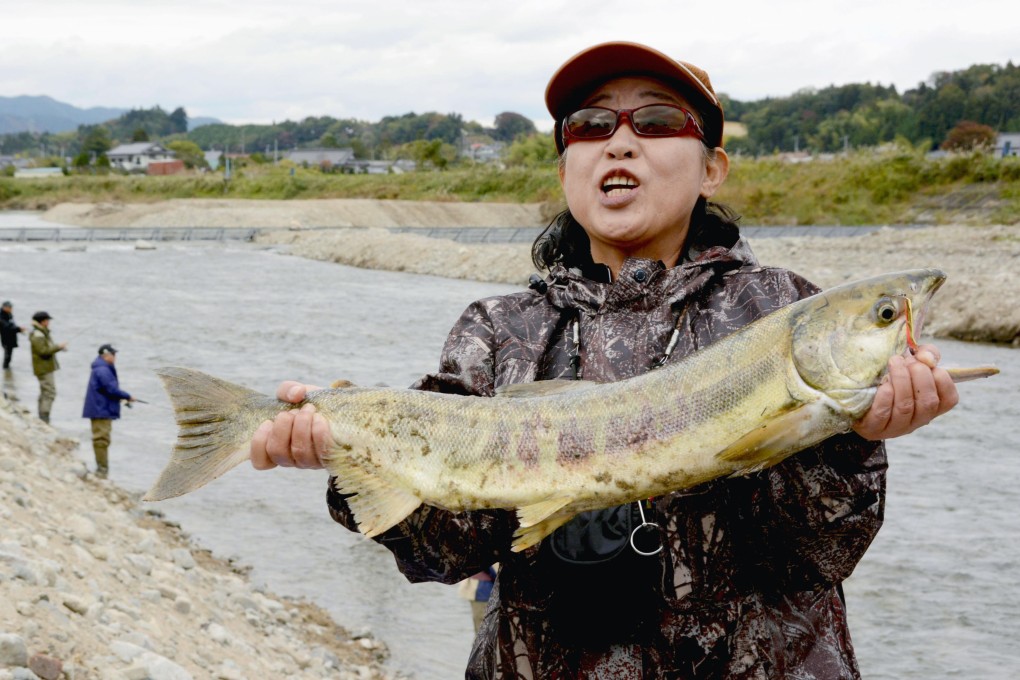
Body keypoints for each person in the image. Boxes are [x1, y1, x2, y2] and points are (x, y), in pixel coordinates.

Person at [250, 42, 959, 678]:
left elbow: (815, 555)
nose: (618, 143)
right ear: (565, 167)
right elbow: (444, 552)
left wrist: (852, 446)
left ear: (713, 167)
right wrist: (346, 460)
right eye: (590, 126)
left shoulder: (778, 309)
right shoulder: (498, 330)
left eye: (654, 122)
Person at [82, 343, 134, 477]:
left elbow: (107, 390)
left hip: (100, 408)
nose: (115, 357)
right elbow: (111, 389)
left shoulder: (101, 367)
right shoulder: (103, 370)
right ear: (106, 355)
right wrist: (127, 396)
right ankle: (102, 471)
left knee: (102, 439)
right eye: (113, 354)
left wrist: (122, 398)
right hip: (101, 410)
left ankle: (102, 470)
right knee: (101, 439)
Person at [29, 311, 67, 424]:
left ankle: (42, 416)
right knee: (49, 392)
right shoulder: (38, 334)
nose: (48, 322)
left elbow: (46, 348)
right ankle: (44, 418)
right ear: (42, 321)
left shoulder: (41, 332)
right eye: (47, 320)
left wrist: (58, 347)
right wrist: (58, 347)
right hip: (43, 368)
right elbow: (43, 351)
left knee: (45, 391)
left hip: (44, 367)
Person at [1, 300, 25, 370]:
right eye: (9, 307)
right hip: (5, 338)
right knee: (7, 354)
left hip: (11, 337)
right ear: (4, 308)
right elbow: (7, 327)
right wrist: (18, 329)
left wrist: (18, 329)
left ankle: (7, 368)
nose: (11, 309)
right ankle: (5, 368)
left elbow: (12, 325)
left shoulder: (9, 314)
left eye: (11, 307)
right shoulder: (1, 316)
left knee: (9, 354)